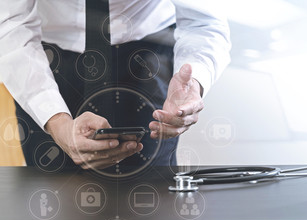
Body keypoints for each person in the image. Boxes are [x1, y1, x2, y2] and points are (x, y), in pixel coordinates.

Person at [0, 0, 230, 170]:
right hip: (46, 60)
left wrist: (192, 83)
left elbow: (204, 20)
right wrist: (55, 120)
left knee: (151, 202)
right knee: (49, 202)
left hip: (145, 54)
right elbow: (10, 23)